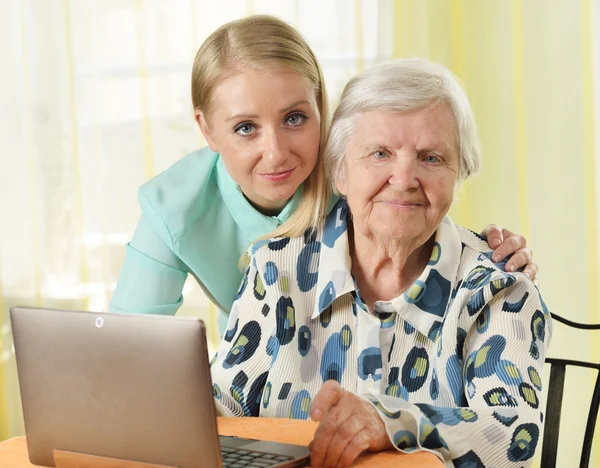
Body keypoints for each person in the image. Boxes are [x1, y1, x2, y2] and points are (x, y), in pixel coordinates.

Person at [210, 58, 551, 467]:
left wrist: (391, 422)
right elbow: (218, 410)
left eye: (430, 158)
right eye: (380, 153)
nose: (404, 178)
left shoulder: (499, 289)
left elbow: (513, 434)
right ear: (340, 171)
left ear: (459, 175)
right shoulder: (276, 268)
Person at [110, 15, 537, 332]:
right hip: (255, 383)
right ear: (206, 130)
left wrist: (492, 251)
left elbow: (422, 210)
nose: (276, 153)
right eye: (245, 128)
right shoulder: (173, 208)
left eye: (294, 118)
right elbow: (127, 347)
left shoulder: (359, 175)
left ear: (321, 107)